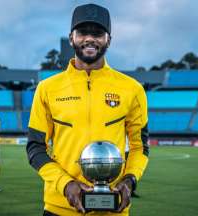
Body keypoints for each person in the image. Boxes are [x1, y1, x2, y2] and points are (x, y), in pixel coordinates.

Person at [27, 3, 149, 216]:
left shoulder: (132, 89)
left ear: (108, 39)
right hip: (59, 208)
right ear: (72, 37)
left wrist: (130, 179)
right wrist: (65, 184)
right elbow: (35, 148)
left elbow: (140, 147)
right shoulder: (47, 89)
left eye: (98, 33)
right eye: (83, 32)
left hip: (114, 209)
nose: (90, 38)